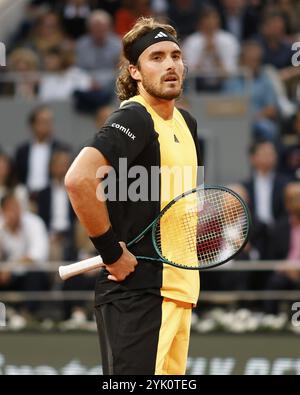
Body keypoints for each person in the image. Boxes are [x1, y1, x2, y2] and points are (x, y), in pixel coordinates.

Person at [65, 17, 202, 375]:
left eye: (175, 55)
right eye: (156, 57)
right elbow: (79, 180)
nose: (170, 64)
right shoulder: (136, 118)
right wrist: (111, 253)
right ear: (135, 72)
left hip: (178, 291)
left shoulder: (188, 124)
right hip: (138, 295)